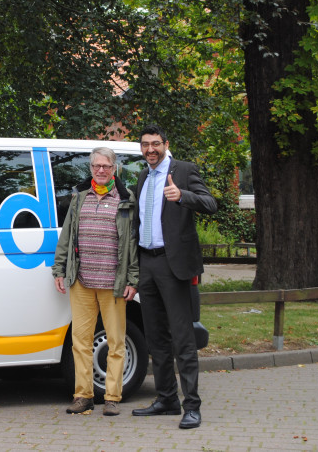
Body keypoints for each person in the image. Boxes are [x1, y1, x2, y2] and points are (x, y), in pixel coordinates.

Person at [131, 124, 217, 430]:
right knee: (156, 338)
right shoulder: (142, 176)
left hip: (174, 265)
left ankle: (191, 406)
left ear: (166, 144)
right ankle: (166, 398)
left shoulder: (183, 171)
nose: (150, 149)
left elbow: (210, 204)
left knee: (183, 339)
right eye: (145, 144)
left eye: (156, 144)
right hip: (147, 264)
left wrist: (182, 196)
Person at [51, 147, 139, 417]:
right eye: (97, 166)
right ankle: (83, 396)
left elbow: (132, 244)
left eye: (106, 166)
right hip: (82, 281)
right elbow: (67, 236)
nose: (101, 170)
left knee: (115, 342)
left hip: (114, 283)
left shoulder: (125, 199)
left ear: (115, 169)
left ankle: (112, 397)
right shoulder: (79, 198)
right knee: (80, 342)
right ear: (90, 169)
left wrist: (133, 279)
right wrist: (59, 269)